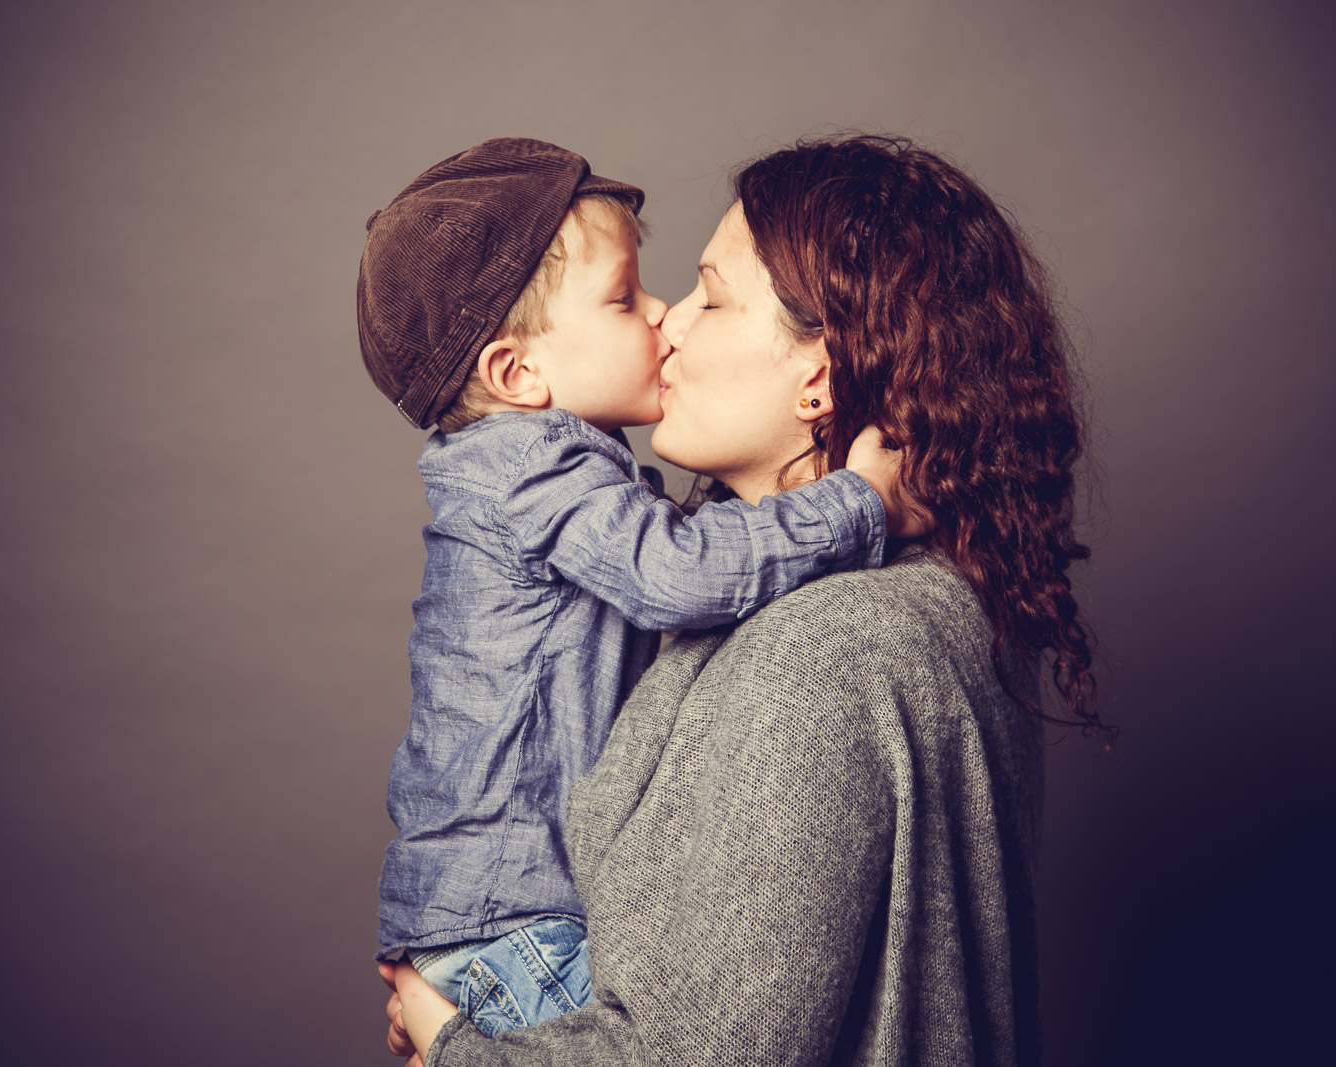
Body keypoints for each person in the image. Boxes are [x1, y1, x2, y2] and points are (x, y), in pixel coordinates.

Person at [381, 135, 1109, 1066]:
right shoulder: (921, 600)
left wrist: (456, 1048)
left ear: (821, 374)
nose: (668, 324)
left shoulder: (818, 656)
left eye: (711, 297)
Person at [356, 138, 920, 1038]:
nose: (663, 316)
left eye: (692, 293)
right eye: (626, 298)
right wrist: (856, 506)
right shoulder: (533, 460)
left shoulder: (527, 464)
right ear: (516, 374)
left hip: (486, 913)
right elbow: (679, 574)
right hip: (517, 912)